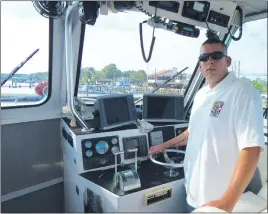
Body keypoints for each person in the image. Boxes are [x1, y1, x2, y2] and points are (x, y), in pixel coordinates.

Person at [148, 38, 265, 213]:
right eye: (204, 57)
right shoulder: (201, 94)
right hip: (194, 194)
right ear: (200, 65)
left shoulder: (243, 92)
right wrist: (163, 146)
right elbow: (192, 132)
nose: (209, 61)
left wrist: (226, 203)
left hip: (222, 201)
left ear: (227, 61)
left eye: (216, 55)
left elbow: (252, 148)